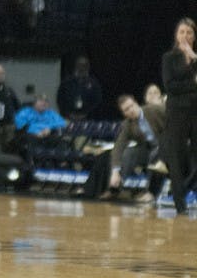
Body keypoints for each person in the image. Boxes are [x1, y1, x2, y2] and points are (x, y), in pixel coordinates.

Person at [83, 93, 166, 205]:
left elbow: (174, 116)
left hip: (167, 146)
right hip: (148, 149)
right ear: (124, 113)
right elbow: (118, 147)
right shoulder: (127, 125)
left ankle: (151, 192)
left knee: (156, 153)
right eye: (126, 110)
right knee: (128, 153)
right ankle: (115, 189)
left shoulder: (153, 110)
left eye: (131, 106)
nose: (131, 110)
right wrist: (115, 172)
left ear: (136, 104)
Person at [161, 17, 197, 215]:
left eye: (189, 32)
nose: (185, 36)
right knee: (176, 155)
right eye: (182, 32)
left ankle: (183, 188)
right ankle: (179, 203)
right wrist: (192, 80)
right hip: (176, 112)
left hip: (195, 111)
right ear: (176, 35)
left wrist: (193, 57)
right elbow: (170, 86)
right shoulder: (169, 58)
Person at [56, 55, 104, 120]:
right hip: (69, 118)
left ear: (88, 67)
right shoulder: (66, 83)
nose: (82, 68)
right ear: (76, 66)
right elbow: (60, 100)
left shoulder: (94, 84)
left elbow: (98, 102)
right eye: (80, 65)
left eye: (84, 65)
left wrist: (86, 114)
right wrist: (68, 114)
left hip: (88, 120)